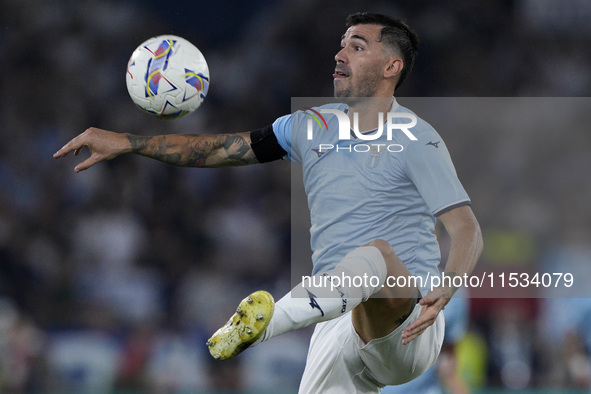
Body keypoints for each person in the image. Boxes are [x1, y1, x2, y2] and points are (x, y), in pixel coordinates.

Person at [54, 12, 482, 393]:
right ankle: (268, 322)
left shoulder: (417, 137)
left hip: (409, 325)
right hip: (336, 322)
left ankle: (264, 324)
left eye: (357, 46)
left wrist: (447, 286)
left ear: (392, 66)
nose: (339, 54)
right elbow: (219, 149)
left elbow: (467, 229)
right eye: (341, 43)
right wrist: (130, 142)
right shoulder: (308, 126)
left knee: (378, 254)